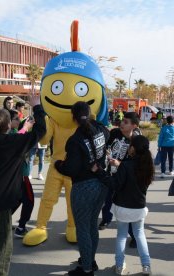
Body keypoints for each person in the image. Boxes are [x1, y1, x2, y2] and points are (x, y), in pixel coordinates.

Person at [0, 94, 46, 276]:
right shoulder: (13, 142)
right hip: (0, 201)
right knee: (2, 244)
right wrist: (37, 106)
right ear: (8, 125)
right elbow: (41, 131)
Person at [55, 101, 109, 276]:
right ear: (90, 112)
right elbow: (108, 136)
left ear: (73, 117)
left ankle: (86, 269)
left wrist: (58, 165)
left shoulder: (75, 140)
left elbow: (70, 169)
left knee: (83, 229)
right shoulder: (101, 129)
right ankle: (90, 261)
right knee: (92, 224)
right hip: (101, 185)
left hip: (83, 187)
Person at [95, 135, 154, 276]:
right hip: (139, 207)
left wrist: (100, 172)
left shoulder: (126, 165)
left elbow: (115, 184)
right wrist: (120, 166)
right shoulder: (147, 165)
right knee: (140, 235)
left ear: (133, 148)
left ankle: (119, 266)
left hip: (122, 207)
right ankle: (146, 266)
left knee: (121, 236)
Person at [99, 112, 141, 248]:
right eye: (123, 121)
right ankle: (106, 220)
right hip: (110, 174)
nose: (122, 123)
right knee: (107, 200)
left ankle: (134, 235)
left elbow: (138, 164)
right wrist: (106, 152)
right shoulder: (115, 133)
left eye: (126, 122)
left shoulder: (136, 141)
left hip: (126, 180)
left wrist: (120, 164)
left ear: (134, 126)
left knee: (126, 208)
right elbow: (106, 145)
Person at [8, 109, 35, 238]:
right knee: (29, 200)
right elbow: (18, 141)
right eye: (16, 119)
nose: (19, 121)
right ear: (8, 121)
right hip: (21, 175)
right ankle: (21, 227)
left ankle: (5, 222)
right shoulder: (12, 135)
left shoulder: (13, 132)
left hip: (17, 174)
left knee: (17, 199)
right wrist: (25, 128)